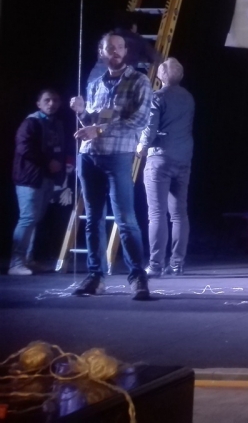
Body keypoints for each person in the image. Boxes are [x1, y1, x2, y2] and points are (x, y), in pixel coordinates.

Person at [69, 33, 152, 300]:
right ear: (101, 52)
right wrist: (82, 113)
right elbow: (92, 120)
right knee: (93, 219)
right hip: (89, 156)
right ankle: (96, 277)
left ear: (125, 51)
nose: (115, 51)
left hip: (118, 156)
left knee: (125, 219)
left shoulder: (139, 80)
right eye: (109, 48)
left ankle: (138, 277)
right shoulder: (95, 83)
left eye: (119, 47)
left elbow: (139, 121)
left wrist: (99, 130)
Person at [138, 58, 195, 277]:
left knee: (157, 214)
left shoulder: (157, 97)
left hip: (160, 159)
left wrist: (141, 147)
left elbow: (150, 127)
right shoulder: (189, 98)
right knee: (179, 214)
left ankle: (155, 265)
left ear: (160, 75)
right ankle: (177, 264)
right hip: (184, 158)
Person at [8, 89, 73, 275]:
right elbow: (24, 147)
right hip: (30, 179)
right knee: (28, 218)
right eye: (47, 100)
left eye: (55, 100)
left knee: (34, 219)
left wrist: (61, 172)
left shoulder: (56, 124)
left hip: (47, 178)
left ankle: (28, 260)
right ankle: (16, 263)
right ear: (39, 104)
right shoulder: (31, 122)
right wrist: (48, 162)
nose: (51, 104)